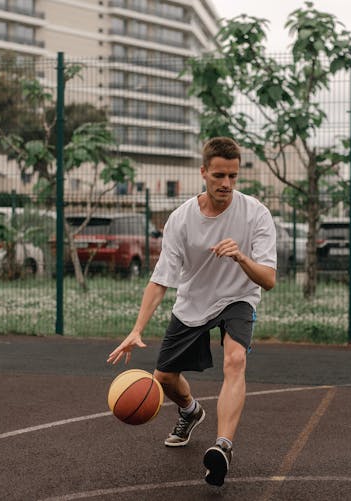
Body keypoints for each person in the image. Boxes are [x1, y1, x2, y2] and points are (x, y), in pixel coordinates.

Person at [107, 136, 277, 487]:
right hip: (194, 301)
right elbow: (160, 281)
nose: (226, 184)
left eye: (232, 176)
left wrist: (241, 257)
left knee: (235, 360)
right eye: (218, 176)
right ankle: (190, 411)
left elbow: (269, 280)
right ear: (203, 172)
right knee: (164, 378)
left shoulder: (256, 213)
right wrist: (137, 329)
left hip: (238, 297)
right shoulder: (181, 220)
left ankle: (223, 447)